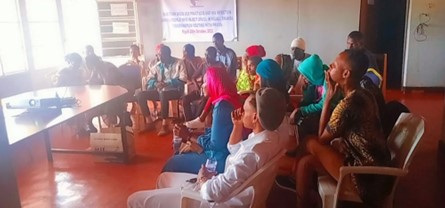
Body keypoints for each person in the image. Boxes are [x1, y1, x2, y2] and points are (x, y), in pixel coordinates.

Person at [127, 87, 286, 208]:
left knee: (134, 200)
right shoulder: (271, 137)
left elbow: (213, 193)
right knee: (164, 178)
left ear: (255, 117)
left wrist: (203, 180)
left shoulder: (253, 154)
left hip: (218, 201)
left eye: (244, 111)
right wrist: (237, 125)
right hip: (233, 190)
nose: (240, 112)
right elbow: (233, 148)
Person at [295, 49, 392, 207]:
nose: (329, 68)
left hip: (365, 179)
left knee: (310, 142)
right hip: (376, 173)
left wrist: (328, 99)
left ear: (346, 74)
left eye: (333, 66)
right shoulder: (364, 94)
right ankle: (302, 199)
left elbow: (321, 138)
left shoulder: (349, 103)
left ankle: (293, 176)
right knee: (306, 163)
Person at [161, 67, 240, 174]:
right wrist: (192, 133)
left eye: (205, 82)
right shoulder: (232, 98)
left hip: (218, 161)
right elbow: (218, 134)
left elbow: (215, 145)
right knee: (184, 150)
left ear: (213, 82)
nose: (202, 86)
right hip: (229, 155)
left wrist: (188, 136)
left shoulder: (222, 106)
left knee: (171, 164)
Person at [136, 45, 187, 136]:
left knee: (163, 93)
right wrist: (155, 83)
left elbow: (183, 79)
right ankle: (150, 122)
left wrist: (168, 83)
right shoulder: (158, 65)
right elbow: (149, 78)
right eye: (158, 55)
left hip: (175, 90)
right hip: (160, 90)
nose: (159, 57)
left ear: (168, 54)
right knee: (140, 95)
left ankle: (164, 125)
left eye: (162, 55)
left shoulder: (179, 63)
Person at [255, 59, 290, 150]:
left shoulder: (269, 103)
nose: (256, 80)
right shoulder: (281, 95)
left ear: (266, 79)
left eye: (258, 77)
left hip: (271, 143)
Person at [182, 47, 224, 121]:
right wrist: (198, 88)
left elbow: (223, 81)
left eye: (209, 55)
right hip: (202, 91)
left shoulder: (220, 65)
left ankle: (196, 121)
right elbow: (193, 77)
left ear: (214, 55)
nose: (206, 57)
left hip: (213, 93)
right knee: (185, 99)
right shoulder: (204, 65)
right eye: (205, 55)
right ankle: (189, 121)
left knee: (205, 100)